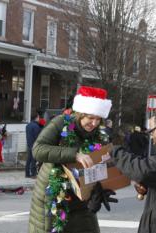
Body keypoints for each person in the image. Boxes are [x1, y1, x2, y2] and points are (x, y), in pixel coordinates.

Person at [29, 86, 117, 233]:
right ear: (80, 113)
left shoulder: (100, 136)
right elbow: (38, 149)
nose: (94, 123)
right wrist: (74, 154)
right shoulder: (61, 123)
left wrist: (100, 192)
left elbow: (102, 167)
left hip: (82, 201)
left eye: (98, 119)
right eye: (90, 118)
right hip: (54, 196)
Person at [25, 112, 43, 178]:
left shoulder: (28, 125)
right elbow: (37, 137)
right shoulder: (36, 126)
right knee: (33, 160)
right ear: (36, 117)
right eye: (38, 117)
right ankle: (33, 174)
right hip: (34, 145)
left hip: (29, 144)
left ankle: (27, 174)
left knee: (28, 160)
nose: (39, 119)